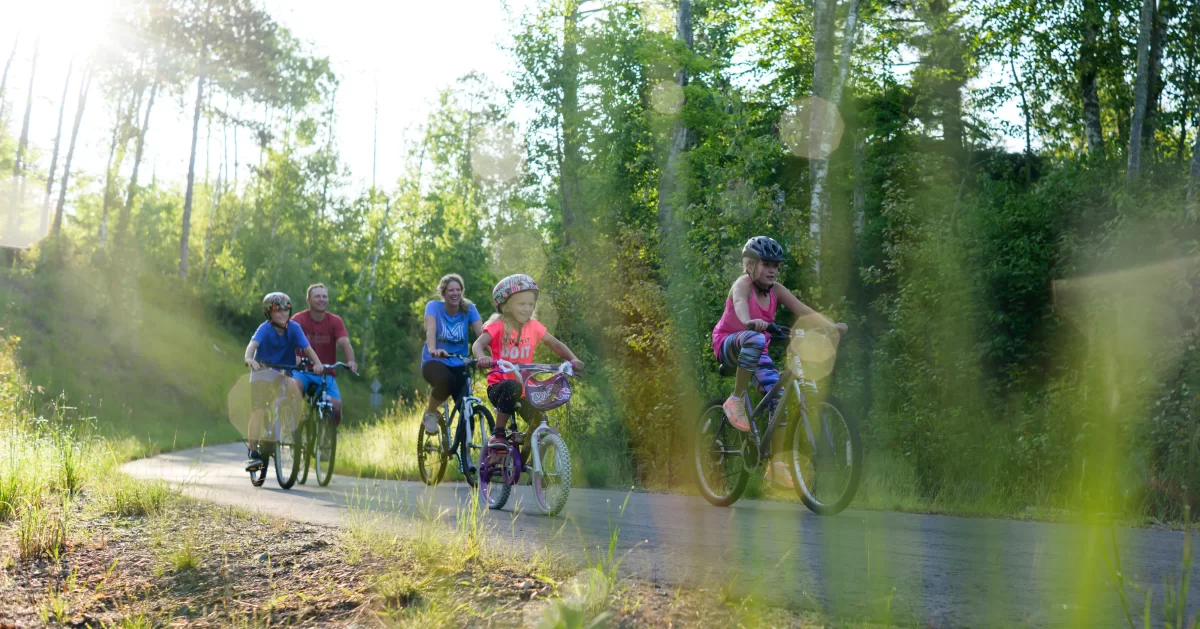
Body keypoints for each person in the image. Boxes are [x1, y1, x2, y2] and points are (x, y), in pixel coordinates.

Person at [711, 236, 847, 488]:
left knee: (780, 398)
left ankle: (775, 465)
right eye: (766, 264)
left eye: (776, 265)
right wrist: (749, 320)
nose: (773, 269)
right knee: (753, 338)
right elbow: (740, 305)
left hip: (755, 348)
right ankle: (736, 400)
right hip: (729, 342)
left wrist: (830, 326)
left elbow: (803, 310)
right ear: (749, 265)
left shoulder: (777, 291)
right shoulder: (742, 285)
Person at [471, 274, 583, 448]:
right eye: (521, 304)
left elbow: (555, 344)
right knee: (512, 386)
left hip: (525, 389)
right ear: (506, 306)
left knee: (540, 423)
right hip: (499, 387)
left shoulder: (534, 326)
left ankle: (536, 469)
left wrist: (573, 359)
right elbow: (478, 345)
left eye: (531, 304)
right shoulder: (497, 325)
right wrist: (482, 357)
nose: (527, 308)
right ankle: (498, 434)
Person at [243, 292, 324, 471]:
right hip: (262, 373)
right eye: (277, 311)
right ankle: (253, 452)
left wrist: (318, 364)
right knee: (258, 411)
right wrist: (249, 358)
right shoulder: (265, 329)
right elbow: (252, 345)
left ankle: (295, 423)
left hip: (283, 373)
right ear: (269, 313)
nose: (283, 314)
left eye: (286, 310)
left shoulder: (294, 328)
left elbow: (307, 349)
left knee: (294, 386)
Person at [420, 274, 484, 435]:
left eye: (458, 290)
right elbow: (431, 329)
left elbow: (483, 335)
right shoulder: (433, 306)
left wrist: (492, 356)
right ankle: (430, 412)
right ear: (443, 293)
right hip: (434, 360)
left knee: (467, 410)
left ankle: (465, 454)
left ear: (462, 291)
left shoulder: (469, 308)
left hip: (459, 363)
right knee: (446, 381)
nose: (455, 293)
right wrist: (434, 349)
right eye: (451, 290)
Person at [292, 283, 358, 424]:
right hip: (301, 371)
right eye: (317, 296)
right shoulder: (298, 319)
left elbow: (344, 342)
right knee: (294, 389)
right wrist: (293, 357)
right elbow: (287, 341)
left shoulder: (335, 321)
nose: (321, 299)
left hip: (325, 373)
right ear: (308, 300)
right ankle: (294, 428)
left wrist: (351, 360)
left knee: (336, 408)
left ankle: (327, 440)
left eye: (324, 296)